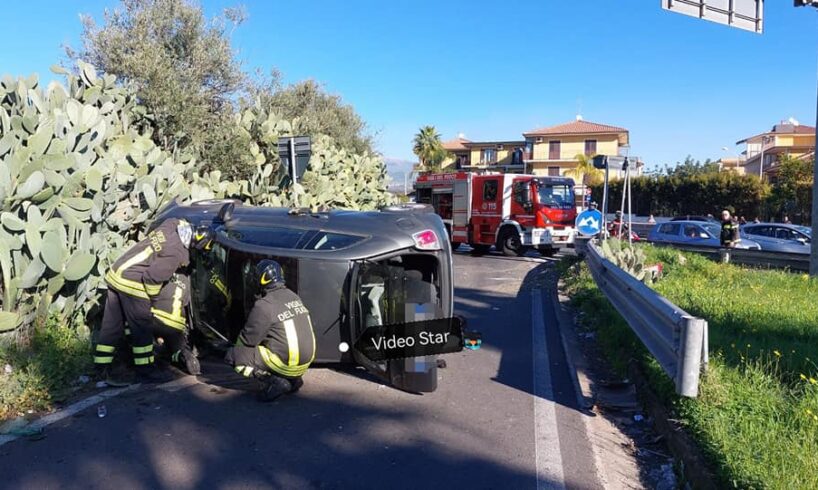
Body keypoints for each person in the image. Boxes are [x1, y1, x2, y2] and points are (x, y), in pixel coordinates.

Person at [94, 218, 193, 383]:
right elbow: (151, 278)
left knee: (112, 325)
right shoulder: (176, 254)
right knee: (142, 329)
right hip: (133, 283)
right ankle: (146, 369)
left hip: (116, 273)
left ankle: (101, 366)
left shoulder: (170, 227)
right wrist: (152, 300)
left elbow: (174, 220)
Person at [226, 260, 316, 402]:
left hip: (286, 363)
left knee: (233, 355)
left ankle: (273, 380)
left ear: (261, 279)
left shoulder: (264, 305)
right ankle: (293, 380)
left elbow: (248, 340)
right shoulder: (293, 295)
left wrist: (236, 346)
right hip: (305, 363)